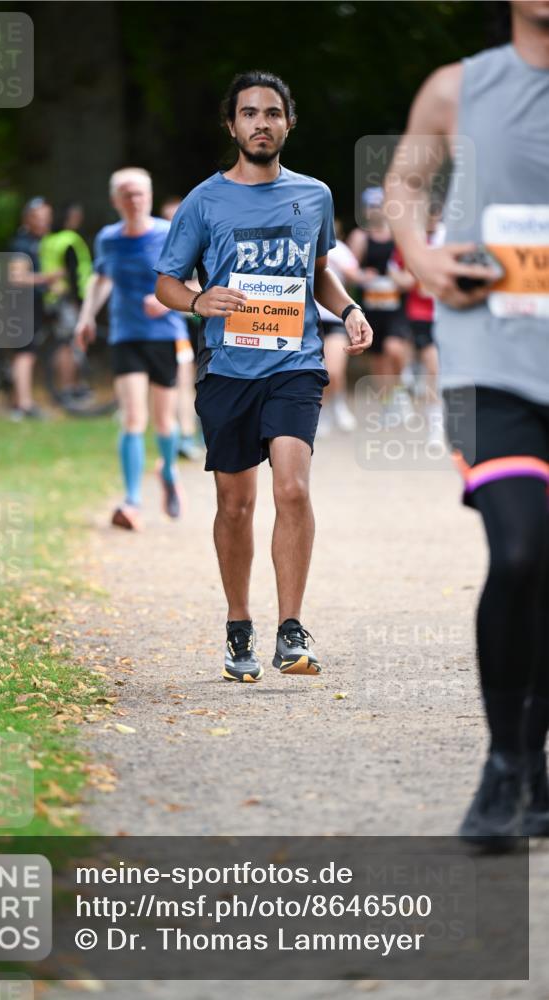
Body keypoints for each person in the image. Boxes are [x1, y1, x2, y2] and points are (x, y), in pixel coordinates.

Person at [386, 0, 549, 843]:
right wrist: (418, 254)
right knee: (519, 548)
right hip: (491, 358)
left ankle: (536, 768)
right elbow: (405, 184)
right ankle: (504, 766)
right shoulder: (455, 89)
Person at [155, 70, 372, 682]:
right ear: (233, 125)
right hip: (227, 368)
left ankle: (291, 629)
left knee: (294, 490)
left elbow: (319, 271)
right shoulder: (204, 201)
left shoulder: (314, 196)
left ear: (287, 122)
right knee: (235, 505)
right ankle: (238, 623)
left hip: (295, 362)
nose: (261, 123)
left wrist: (350, 309)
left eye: (272, 113)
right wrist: (199, 302)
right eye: (248, 113)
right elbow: (166, 282)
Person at [75, 168, 185, 531]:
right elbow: (101, 277)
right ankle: (132, 501)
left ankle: (168, 471)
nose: (134, 200)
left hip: (164, 335)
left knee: (164, 421)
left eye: (139, 193)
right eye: (126, 194)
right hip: (125, 336)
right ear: (115, 201)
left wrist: (167, 301)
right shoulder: (108, 239)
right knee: (133, 418)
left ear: (149, 197)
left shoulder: (170, 234)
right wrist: (86, 316)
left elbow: (195, 281)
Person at [348, 186, 413, 426]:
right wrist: (362, 276)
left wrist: (401, 280)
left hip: (396, 306)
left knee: (394, 349)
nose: (376, 210)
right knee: (377, 360)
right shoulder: (360, 237)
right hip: (370, 306)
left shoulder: (399, 236)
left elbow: (411, 273)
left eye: (380, 205)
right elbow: (349, 271)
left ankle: (401, 389)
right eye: (372, 206)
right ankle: (389, 402)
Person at [388, 205, 445, 447]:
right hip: (418, 312)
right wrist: (408, 281)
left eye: (435, 214)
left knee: (435, 369)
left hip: (446, 312)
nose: (432, 219)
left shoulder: (449, 239)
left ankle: (435, 422)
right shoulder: (412, 241)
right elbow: (395, 270)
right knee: (431, 365)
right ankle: (434, 424)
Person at [8, 197, 64, 420]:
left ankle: (18, 400)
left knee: (26, 353)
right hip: (21, 306)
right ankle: (23, 405)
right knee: (25, 355)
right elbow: (16, 277)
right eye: (38, 218)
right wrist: (47, 279)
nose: (43, 223)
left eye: (46, 218)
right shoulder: (21, 244)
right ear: (27, 219)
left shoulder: (41, 242)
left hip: (34, 305)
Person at [160, 195, 204, 461]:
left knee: (203, 382)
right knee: (183, 380)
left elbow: (207, 284)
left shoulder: (199, 242)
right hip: (175, 327)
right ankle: (186, 435)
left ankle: (199, 431)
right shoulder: (158, 246)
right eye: (167, 218)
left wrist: (187, 297)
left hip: (203, 324)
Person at [40, 201, 93, 404]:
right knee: (71, 344)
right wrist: (80, 302)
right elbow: (73, 274)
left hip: (52, 299)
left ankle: (65, 387)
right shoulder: (70, 240)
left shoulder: (48, 240)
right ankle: (70, 388)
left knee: (62, 344)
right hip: (67, 300)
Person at [314, 219, 360, 437]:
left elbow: (354, 275)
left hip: (334, 318)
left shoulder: (340, 250)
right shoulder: (302, 245)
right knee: (318, 371)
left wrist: (332, 264)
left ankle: (338, 403)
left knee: (334, 369)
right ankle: (321, 412)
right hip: (307, 318)